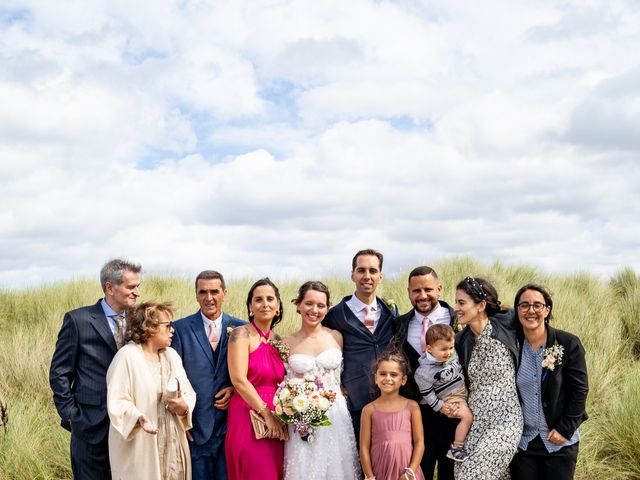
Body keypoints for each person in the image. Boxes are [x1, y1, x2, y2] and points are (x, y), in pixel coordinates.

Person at [49, 258, 141, 479]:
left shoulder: (141, 320)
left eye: (138, 286)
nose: (137, 292)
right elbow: (59, 372)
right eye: (131, 287)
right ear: (110, 287)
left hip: (131, 427)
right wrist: (72, 415)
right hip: (90, 427)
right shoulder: (78, 320)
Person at [107, 301, 196, 479]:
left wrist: (183, 406)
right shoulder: (127, 356)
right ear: (150, 327)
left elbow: (188, 393)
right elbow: (117, 400)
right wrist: (137, 417)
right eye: (167, 325)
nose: (172, 330)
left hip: (172, 444)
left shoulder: (171, 355)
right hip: (141, 444)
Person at [171, 270, 246, 480]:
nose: (209, 297)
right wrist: (181, 422)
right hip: (195, 430)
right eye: (202, 292)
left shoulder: (241, 328)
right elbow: (172, 378)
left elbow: (251, 375)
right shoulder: (179, 329)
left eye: (214, 291)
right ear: (196, 295)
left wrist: (234, 389)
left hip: (231, 428)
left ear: (225, 293)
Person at [282, 281, 361, 479]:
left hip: (336, 414)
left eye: (321, 305)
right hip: (302, 418)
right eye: (309, 303)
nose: (314, 310)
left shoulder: (337, 337)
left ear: (327, 308)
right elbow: (281, 381)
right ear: (298, 304)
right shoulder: (285, 343)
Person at [510, 284, 588, 480]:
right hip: (524, 443)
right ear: (517, 310)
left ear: (547, 309)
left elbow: (580, 390)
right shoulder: (512, 345)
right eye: (524, 305)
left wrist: (564, 429)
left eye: (537, 305)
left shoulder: (567, 343)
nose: (531, 311)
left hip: (559, 442)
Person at [391, 266, 458, 480]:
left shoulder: (459, 319)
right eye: (416, 291)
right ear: (409, 292)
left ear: (439, 289)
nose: (422, 296)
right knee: (422, 470)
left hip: (453, 411)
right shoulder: (399, 324)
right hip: (417, 413)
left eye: (428, 289)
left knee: (451, 472)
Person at [323, 249, 398, 441]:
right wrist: (336, 384)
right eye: (361, 270)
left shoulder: (391, 313)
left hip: (388, 400)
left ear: (380, 276)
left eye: (373, 271)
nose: (367, 276)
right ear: (352, 275)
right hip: (353, 403)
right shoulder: (334, 316)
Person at [453, 276, 523, 480]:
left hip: (505, 421)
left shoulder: (506, 324)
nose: (456, 307)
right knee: (461, 473)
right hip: (474, 422)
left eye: (461, 302)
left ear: (481, 304)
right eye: (456, 302)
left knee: (470, 477)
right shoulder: (460, 341)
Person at [225, 278, 288, 480]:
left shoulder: (279, 341)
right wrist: (266, 414)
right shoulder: (240, 335)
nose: (265, 304)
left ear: (278, 306)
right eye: (258, 299)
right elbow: (239, 380)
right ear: (250, 306)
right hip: (249, 415)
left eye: (270, 299)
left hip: (278, 420)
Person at [360, 351, 425, 480]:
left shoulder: (412, 407)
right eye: (383, 374)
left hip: (406, 471)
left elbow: (419, 443)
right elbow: (363, 447)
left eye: (394, 375)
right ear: (376, 378)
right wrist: (369, 476)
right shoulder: (368, 410)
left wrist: (410, 472)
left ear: (403, 379)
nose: (388, 378)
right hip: (379, 470)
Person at [414, 324, 473, 463]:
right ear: (429, 348)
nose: (448, 352)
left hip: (464, 391)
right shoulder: (423, 373)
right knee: (468, 417)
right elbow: (427, 394)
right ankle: (457, 448)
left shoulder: (452, 354)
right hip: (452, 398)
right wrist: (440, 406)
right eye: (443, 349)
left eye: (451, 348)